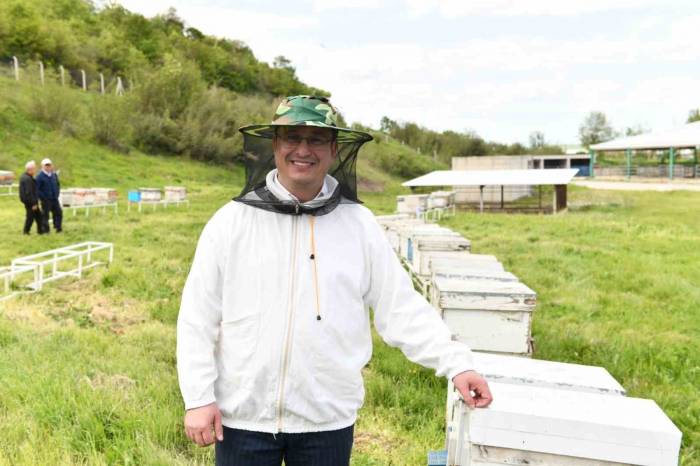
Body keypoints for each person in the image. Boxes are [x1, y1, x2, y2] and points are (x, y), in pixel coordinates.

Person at [177, 95, 492, 466]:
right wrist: (198, 397)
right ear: (275, 145)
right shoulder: (231, 222)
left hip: (325, 419)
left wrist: (457, 364)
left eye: (316, 139)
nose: (303, 150)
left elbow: (400, 307)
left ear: (333, 149)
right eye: (292, 137)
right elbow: (198, 316)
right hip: (243, 416)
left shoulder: (359, 225)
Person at [35, 158, 62, 233]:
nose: (48, 167)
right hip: (46, 200)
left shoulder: (54, 175)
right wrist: (43, 197)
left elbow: (57, 185)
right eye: (46, 165)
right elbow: (37, 189)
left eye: (49, 165)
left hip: (54, 198)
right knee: (45, 215)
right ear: (42, 166)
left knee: (58, 213)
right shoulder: (39, 176)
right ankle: (46, 230)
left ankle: (58, 227)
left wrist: (57, 193)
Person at [18, 160, 43, 235]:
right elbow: (29, 192)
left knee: (38, 216)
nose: (35, 170)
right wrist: (34, 203)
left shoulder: (26, 177)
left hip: (29, 201)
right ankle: (26, 231)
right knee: (31, 217)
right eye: (34, 169)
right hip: (30, 202)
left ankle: (40, 231)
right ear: (30, 169)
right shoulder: (27, 179)